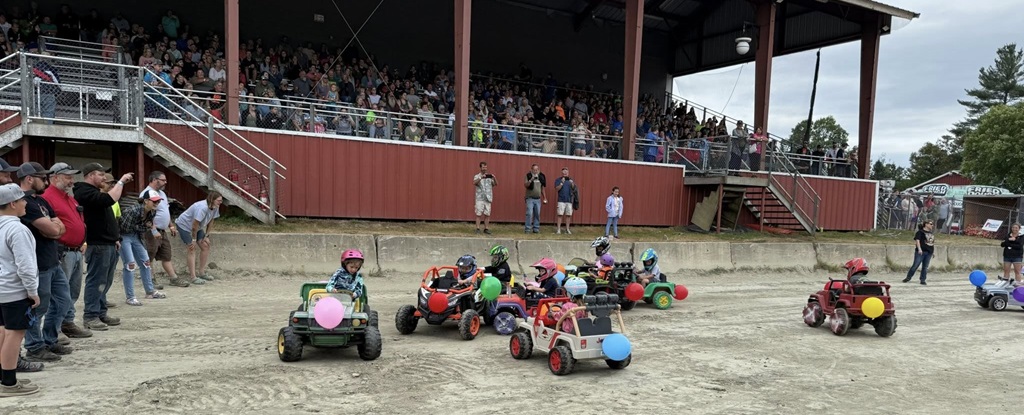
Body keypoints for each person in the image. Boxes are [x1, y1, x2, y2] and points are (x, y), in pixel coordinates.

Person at [16, 163, 73, 363]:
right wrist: (52, 227)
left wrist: (52, 227)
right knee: (38, 307)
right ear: (30, 179)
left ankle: (50, 339)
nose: (47, 181)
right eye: (43, 177)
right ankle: (34, 347)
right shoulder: (24, 204)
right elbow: (51, 230)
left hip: (52, 261)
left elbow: (60, 228)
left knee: (63, 301)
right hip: (38, 264)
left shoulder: (40, 201)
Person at [73, 163, 130, 331]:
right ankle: (91, 316)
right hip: (98, 245)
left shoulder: (95, 192)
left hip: (109, 244)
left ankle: (100, 312)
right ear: (90, 175)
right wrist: (121, 182)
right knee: (96, 281)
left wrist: (115, 238)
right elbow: (108, 200)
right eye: (101, 174)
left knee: (104, 282)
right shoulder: (84, 192)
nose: (104, 178)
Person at [40, 163, 92, 340]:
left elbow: (79, 221)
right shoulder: (48, 198)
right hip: (62, 250)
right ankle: (57, 327)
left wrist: (83, 240)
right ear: (55, 178)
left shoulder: (69, 198)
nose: (72, 181)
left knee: (73, 290)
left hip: (76, 250)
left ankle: (67, 323)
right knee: (60, 293)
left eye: (72, 177)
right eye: (68, 177)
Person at [0, 183, 41, 396]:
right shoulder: (17, 228)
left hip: (0, 288)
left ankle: (3, 376)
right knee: (14, 334)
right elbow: (25, 265)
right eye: (23, 200)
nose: (26, 202)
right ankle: (8, 383)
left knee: (2, 331)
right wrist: (33, 291)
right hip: (14, 290)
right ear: (13, 203)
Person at [119, 190, 167, 306]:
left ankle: (150, 291)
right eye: (154, 201)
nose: (156, 203)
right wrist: (146, 227)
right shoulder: (133, 210)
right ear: (146, 201)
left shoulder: (152, 212)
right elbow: (125, 228)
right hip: (124, 236)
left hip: (136, 236)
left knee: (146, 262)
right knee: (130, 264)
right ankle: (130, 297)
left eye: (158, 201)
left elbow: (145, 226)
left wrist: (147, 227)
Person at [142, 171, 187, 288]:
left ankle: (174, 278)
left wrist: (171, 225)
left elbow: (166, 211)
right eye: (163, 180)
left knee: (166, 255)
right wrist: (153, 230)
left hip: (162, 230)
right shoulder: (147, 194)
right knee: (149, 256)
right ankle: (150, 280)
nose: (165, 182)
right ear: (154, 180)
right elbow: (145, 215)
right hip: (151, 231)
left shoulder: (162, 193)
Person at [175, 191, 223, 285]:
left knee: (205, 246)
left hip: (198, 227)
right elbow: (194, 225)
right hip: (185, 226)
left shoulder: (215, 207)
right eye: (219, 200)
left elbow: (211, 221)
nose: (221, 202)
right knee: (191, 249)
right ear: (212, 200)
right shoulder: (202, 208)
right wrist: (193, 240)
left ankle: (201, 272)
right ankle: (193, 277)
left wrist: (207, 236)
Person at [903, 220, 935, 285]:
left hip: (929, 252)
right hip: (921, 252)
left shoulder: (931, 233)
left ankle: (923, 280)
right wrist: (919, 249)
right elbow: (917, 241)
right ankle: (908, 277)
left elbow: (931, 243)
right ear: (926, 224)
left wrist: (933, 252)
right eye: (931, 224)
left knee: (925, 267)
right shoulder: (920, 232)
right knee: (915, 265)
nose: (932, 225)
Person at [473, 162, 497, 235]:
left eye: (486, 167)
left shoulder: (489, 177)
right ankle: (477, 228)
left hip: (488, 198)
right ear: (480, 168)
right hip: (480, 198)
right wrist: (481, 177)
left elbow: (495, 184)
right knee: (478, 213)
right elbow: (474, 183)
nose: (485, 169)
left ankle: (486, 228)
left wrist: (494, 178)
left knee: (487, 214)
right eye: (483, 167)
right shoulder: (477, 176)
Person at [523, 164, 547, 234]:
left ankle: (536, 228)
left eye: (537, 170)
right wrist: (531, 180)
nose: (535, 171)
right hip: (530, 198)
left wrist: (545, 197)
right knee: (529, 213)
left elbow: (542, 188)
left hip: (538, 198)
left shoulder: (541, 176)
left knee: (537, 214)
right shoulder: (528, 175)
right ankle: (527, 229)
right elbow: (526, 185)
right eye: (534, 170)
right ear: (531, 170)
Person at [554, 167, 576, 234]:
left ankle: (567, 229)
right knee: (560, 215)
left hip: (569, 200)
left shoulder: (570, 180)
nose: (565, 173)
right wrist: (561, 183)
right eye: (564, 172)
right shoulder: (558, 180)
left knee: (568, 215)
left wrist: (572, 184)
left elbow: (574, 189)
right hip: (561, 200)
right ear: (562, 173)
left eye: (566, 172)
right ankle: (558, 229)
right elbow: (557, 189)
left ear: (568, 173)